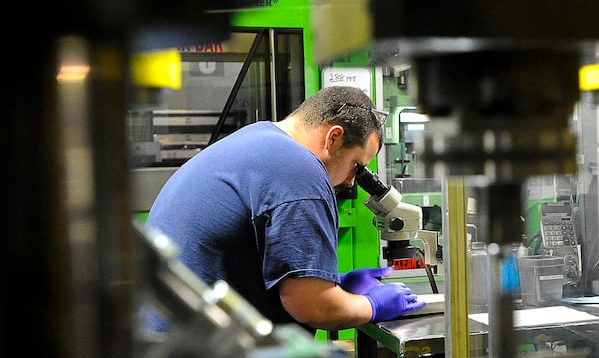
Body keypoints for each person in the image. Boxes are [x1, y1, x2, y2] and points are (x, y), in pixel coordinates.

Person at [145, 86, 425, 332]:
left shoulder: (259, 139)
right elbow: (311, 307)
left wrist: (334, 284)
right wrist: (372, 305)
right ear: (334, 138)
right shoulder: (300, 171)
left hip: (166, 332)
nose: (352, 181)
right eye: (356, 166)